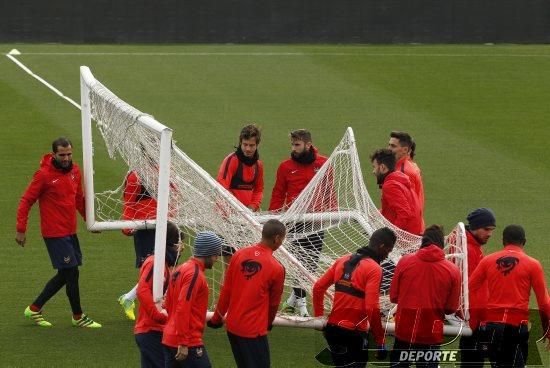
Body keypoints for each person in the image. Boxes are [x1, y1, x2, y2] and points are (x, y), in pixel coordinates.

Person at [16, 137, 101, 328]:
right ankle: (77, 316)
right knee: (70, 272)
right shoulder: (43, 175)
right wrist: (21, 229)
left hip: (70, 231)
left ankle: (35, 308)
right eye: (62, 155)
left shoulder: (75, 171)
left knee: (69, 273)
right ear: (54, 154)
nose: (66, 158)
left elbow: (79, 199)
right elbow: (26, 201)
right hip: (54, 233)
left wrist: (91, 221)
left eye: (69, 154)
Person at [312, 227, 397, 367]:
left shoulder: (342, 260)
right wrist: (380, 340)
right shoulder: (374, 269)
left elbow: (318, 288)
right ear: (382, 247)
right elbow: (371, 307)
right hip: (354, 334)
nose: (387, 256)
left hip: (333, 331)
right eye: (388, 251)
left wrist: (319, 318)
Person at [208, 219, 286, 368]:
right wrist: (268, 324)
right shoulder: (277, 268)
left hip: (232, 328)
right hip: (253, 332)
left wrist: (217, 318)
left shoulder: (239, 254)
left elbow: (226, 291)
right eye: (282, 238)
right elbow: (273, 304)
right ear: (277, 238)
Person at [469, 224, 550, 367]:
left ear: (503, 241)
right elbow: (544, 302)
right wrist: (547, 331)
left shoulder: (487, 261)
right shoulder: (533, 265)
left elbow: (469, 289)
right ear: (524, 242)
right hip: (517, 328)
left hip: (491, 327)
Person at [269, 129, 330, 317]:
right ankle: (301, 304)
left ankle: (293, 302)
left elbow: (329, 191)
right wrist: (274, 217)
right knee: (296, 262)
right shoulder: (285, 167)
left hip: (316, 221)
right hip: (294, 222)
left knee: (310, 262)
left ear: (308, 144)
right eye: (292, 145)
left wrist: (331, 212)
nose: (293, 149)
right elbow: (278, 193)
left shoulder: (323, 163)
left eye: (297, 145)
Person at [389, 225, 462, 368]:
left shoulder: (405, 262)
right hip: (431, 335)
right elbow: (450, 308)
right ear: (442, 243)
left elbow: (393, 297)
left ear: (423, 241)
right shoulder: (453, 271)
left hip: (404, 331)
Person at [162, 231, 223, 368]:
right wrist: (183, 342)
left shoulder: (180, 269)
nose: (217, 258)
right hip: (186, 341)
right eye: (215, 254)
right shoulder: (194, 274)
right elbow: (183, 307)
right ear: (207, 252)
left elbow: (168, 304)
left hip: (170, 338)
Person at [135, 221, 183, 368]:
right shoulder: (156, 263)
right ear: (171, 243)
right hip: (151, 331)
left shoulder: (164, 265)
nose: (182, 248)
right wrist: (159, 315)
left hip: (152, 331)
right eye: (179, 243)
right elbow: (142, 290)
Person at [216, 124, 264, 262]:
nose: (248, 149)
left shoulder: (258, 165)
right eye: (245, 144)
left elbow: (259, 189)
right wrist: (232, 212)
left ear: (257, 145)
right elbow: (221, 188)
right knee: (230, 264)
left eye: (252, 145)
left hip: (247, 218)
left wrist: (252, 207)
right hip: (229, 218)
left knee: (245, 262)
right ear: (240, 143)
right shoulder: (231, 160)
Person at [118, 169, 158, 321]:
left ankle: (129, 298)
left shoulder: (167, 169)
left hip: (164, 224)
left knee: (165, 267)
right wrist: (127, 224)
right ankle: (132, 300)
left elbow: (173, 196)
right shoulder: (136, 176)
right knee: (151, 270)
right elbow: (129, 202)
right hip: (145, 228)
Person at [459, 208, 496, 368]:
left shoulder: (473, 246)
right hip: (474, 320)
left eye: (492, 230)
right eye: (486, 229)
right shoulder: (469, 250)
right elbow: (470, 288)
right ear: (474, 227)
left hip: (475, 319)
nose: (489, 234)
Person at [370, 148, 423, 235]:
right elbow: (394, 208)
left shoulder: (390, 186)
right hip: (412, 235)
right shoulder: (400, 179)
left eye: (374, 167)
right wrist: (376, 214)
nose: (373, 172)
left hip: (403, 242)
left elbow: (404, 213)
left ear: (383, 167)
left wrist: (391, 236)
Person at [387, 131, 424, 221]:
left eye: (393, 146)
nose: (388, 149)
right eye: (389, 145)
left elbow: (407, 210)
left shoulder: (404, 173)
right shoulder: (408, 165)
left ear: (405, 150)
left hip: (405, 229)